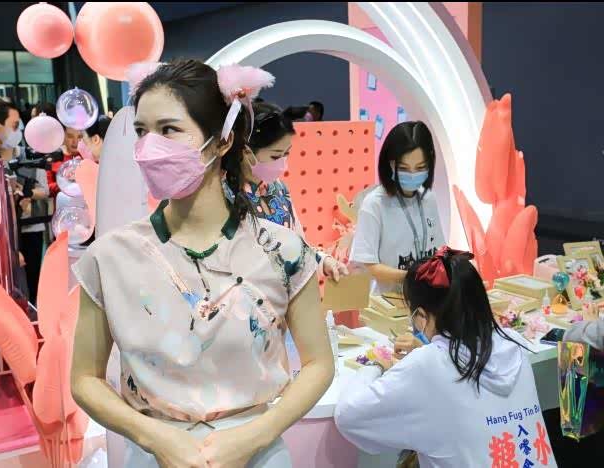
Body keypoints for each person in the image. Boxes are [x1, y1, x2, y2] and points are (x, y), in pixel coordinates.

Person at [70, 60, 335, 468]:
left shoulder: (281, 250)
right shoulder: (109, 257)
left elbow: (319, 364)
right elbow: (85, 378)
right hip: (155, 456)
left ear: (222, 141)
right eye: (141, 131)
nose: (149, 148)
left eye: (168, 130)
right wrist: (153, 436)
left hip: (257, 454)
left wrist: (255, 435)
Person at [335, 247, 557, 467]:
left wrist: (375, 365)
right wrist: (427, 348)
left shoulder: (427, 364)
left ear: (421, 316)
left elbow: (349, 415)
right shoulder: (512, 343)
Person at [227, 100, 348, 282]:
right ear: (246, 152)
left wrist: (323, 261)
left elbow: (298, 245)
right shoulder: (224, 196)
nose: (282, 163)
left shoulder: (278, 188)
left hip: (287, 294)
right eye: (276, 155)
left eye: (286, 154)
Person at [350, 121, 445, 295]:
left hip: (428, 297)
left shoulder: (428, 198)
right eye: (404, 168)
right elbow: (369, 265)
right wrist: (410, 277)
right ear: (390, 164)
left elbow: (439, 249)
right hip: (388, 302)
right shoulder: (374, 204)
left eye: (420, 168)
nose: (413, 175)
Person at [0, 97, 49, 305]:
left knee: (32, 285)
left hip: (30, 228)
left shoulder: (30, 156)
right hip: (2, 235)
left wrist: (25, 193)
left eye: (20, 126)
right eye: (14, 126)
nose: (19, 131)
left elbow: (44, 190)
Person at [47, 126, 81, 197]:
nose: (75, 141)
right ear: (63, 137)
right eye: (70, 136)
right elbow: (47, 188)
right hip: (62, 203)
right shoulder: (53, 157)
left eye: (80, 137)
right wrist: (66, 183)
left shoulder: (90, 157)